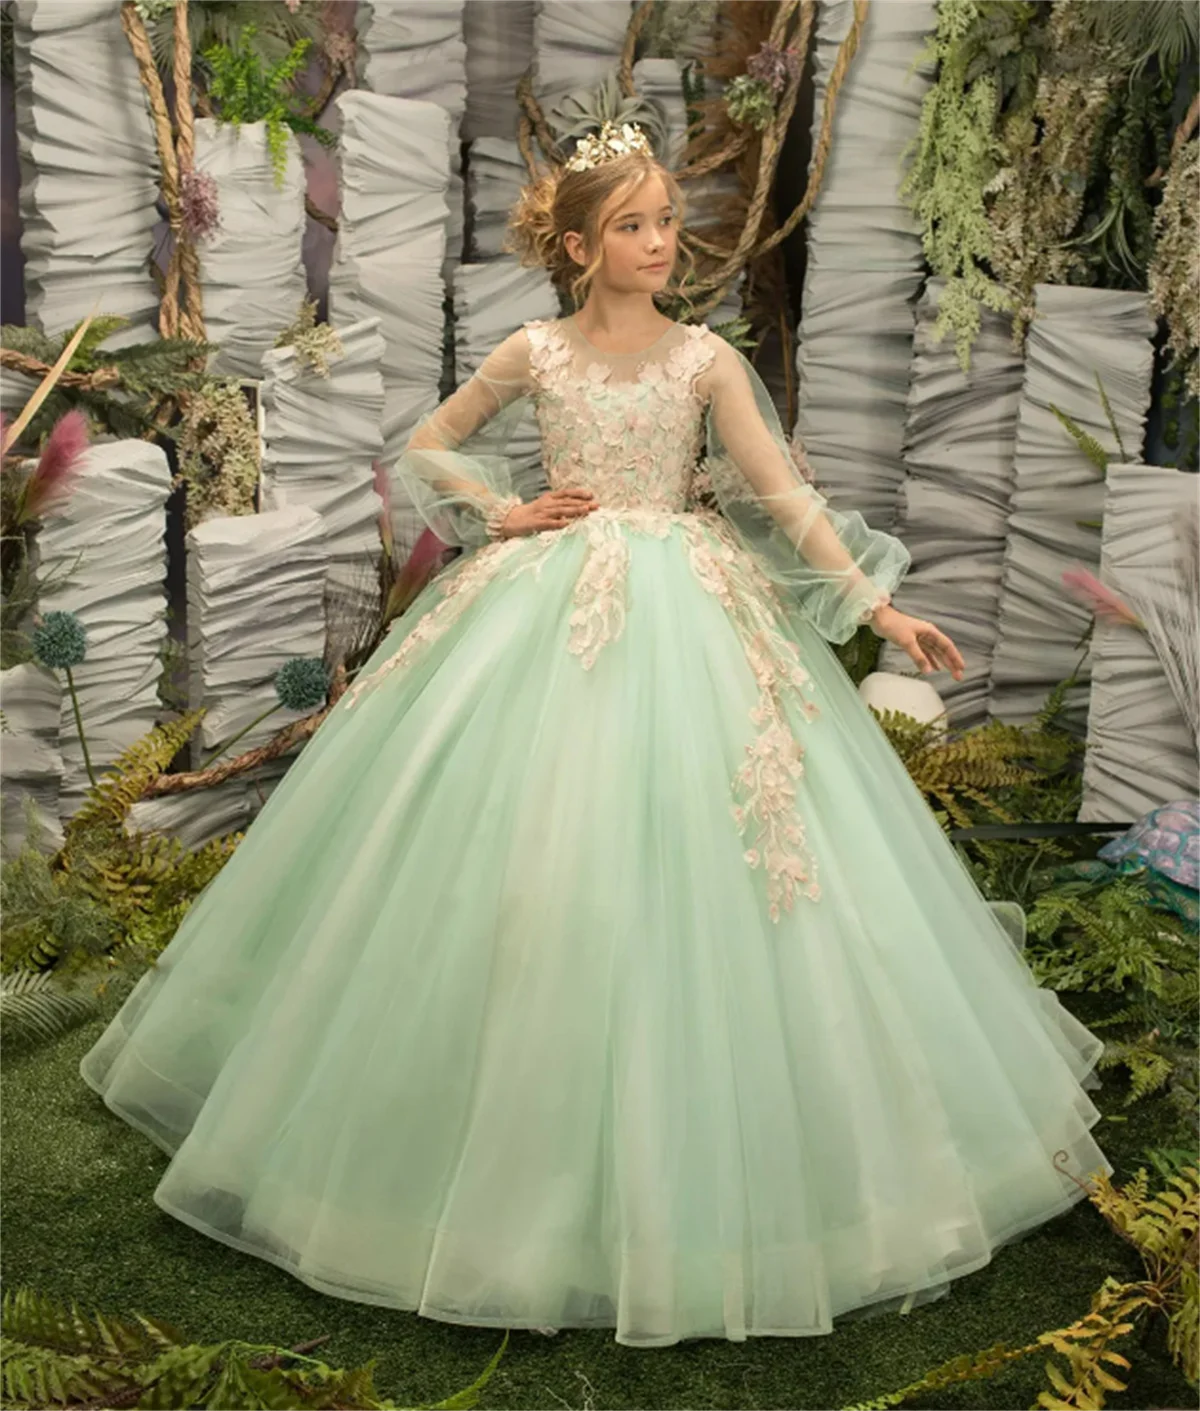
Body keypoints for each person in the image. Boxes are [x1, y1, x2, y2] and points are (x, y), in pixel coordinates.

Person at [80, 119, 1113, 1349]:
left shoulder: (706, 363)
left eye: (668, 220)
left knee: (723, 856)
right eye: (633, 224)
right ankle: (474, 1163)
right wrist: (504, 508)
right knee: (520, 855)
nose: (661, 242)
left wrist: (874, 602)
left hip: (690, 611)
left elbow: (781, 492)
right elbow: (424, 446)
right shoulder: (535, 351)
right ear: (577, 246)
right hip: (540, 605)